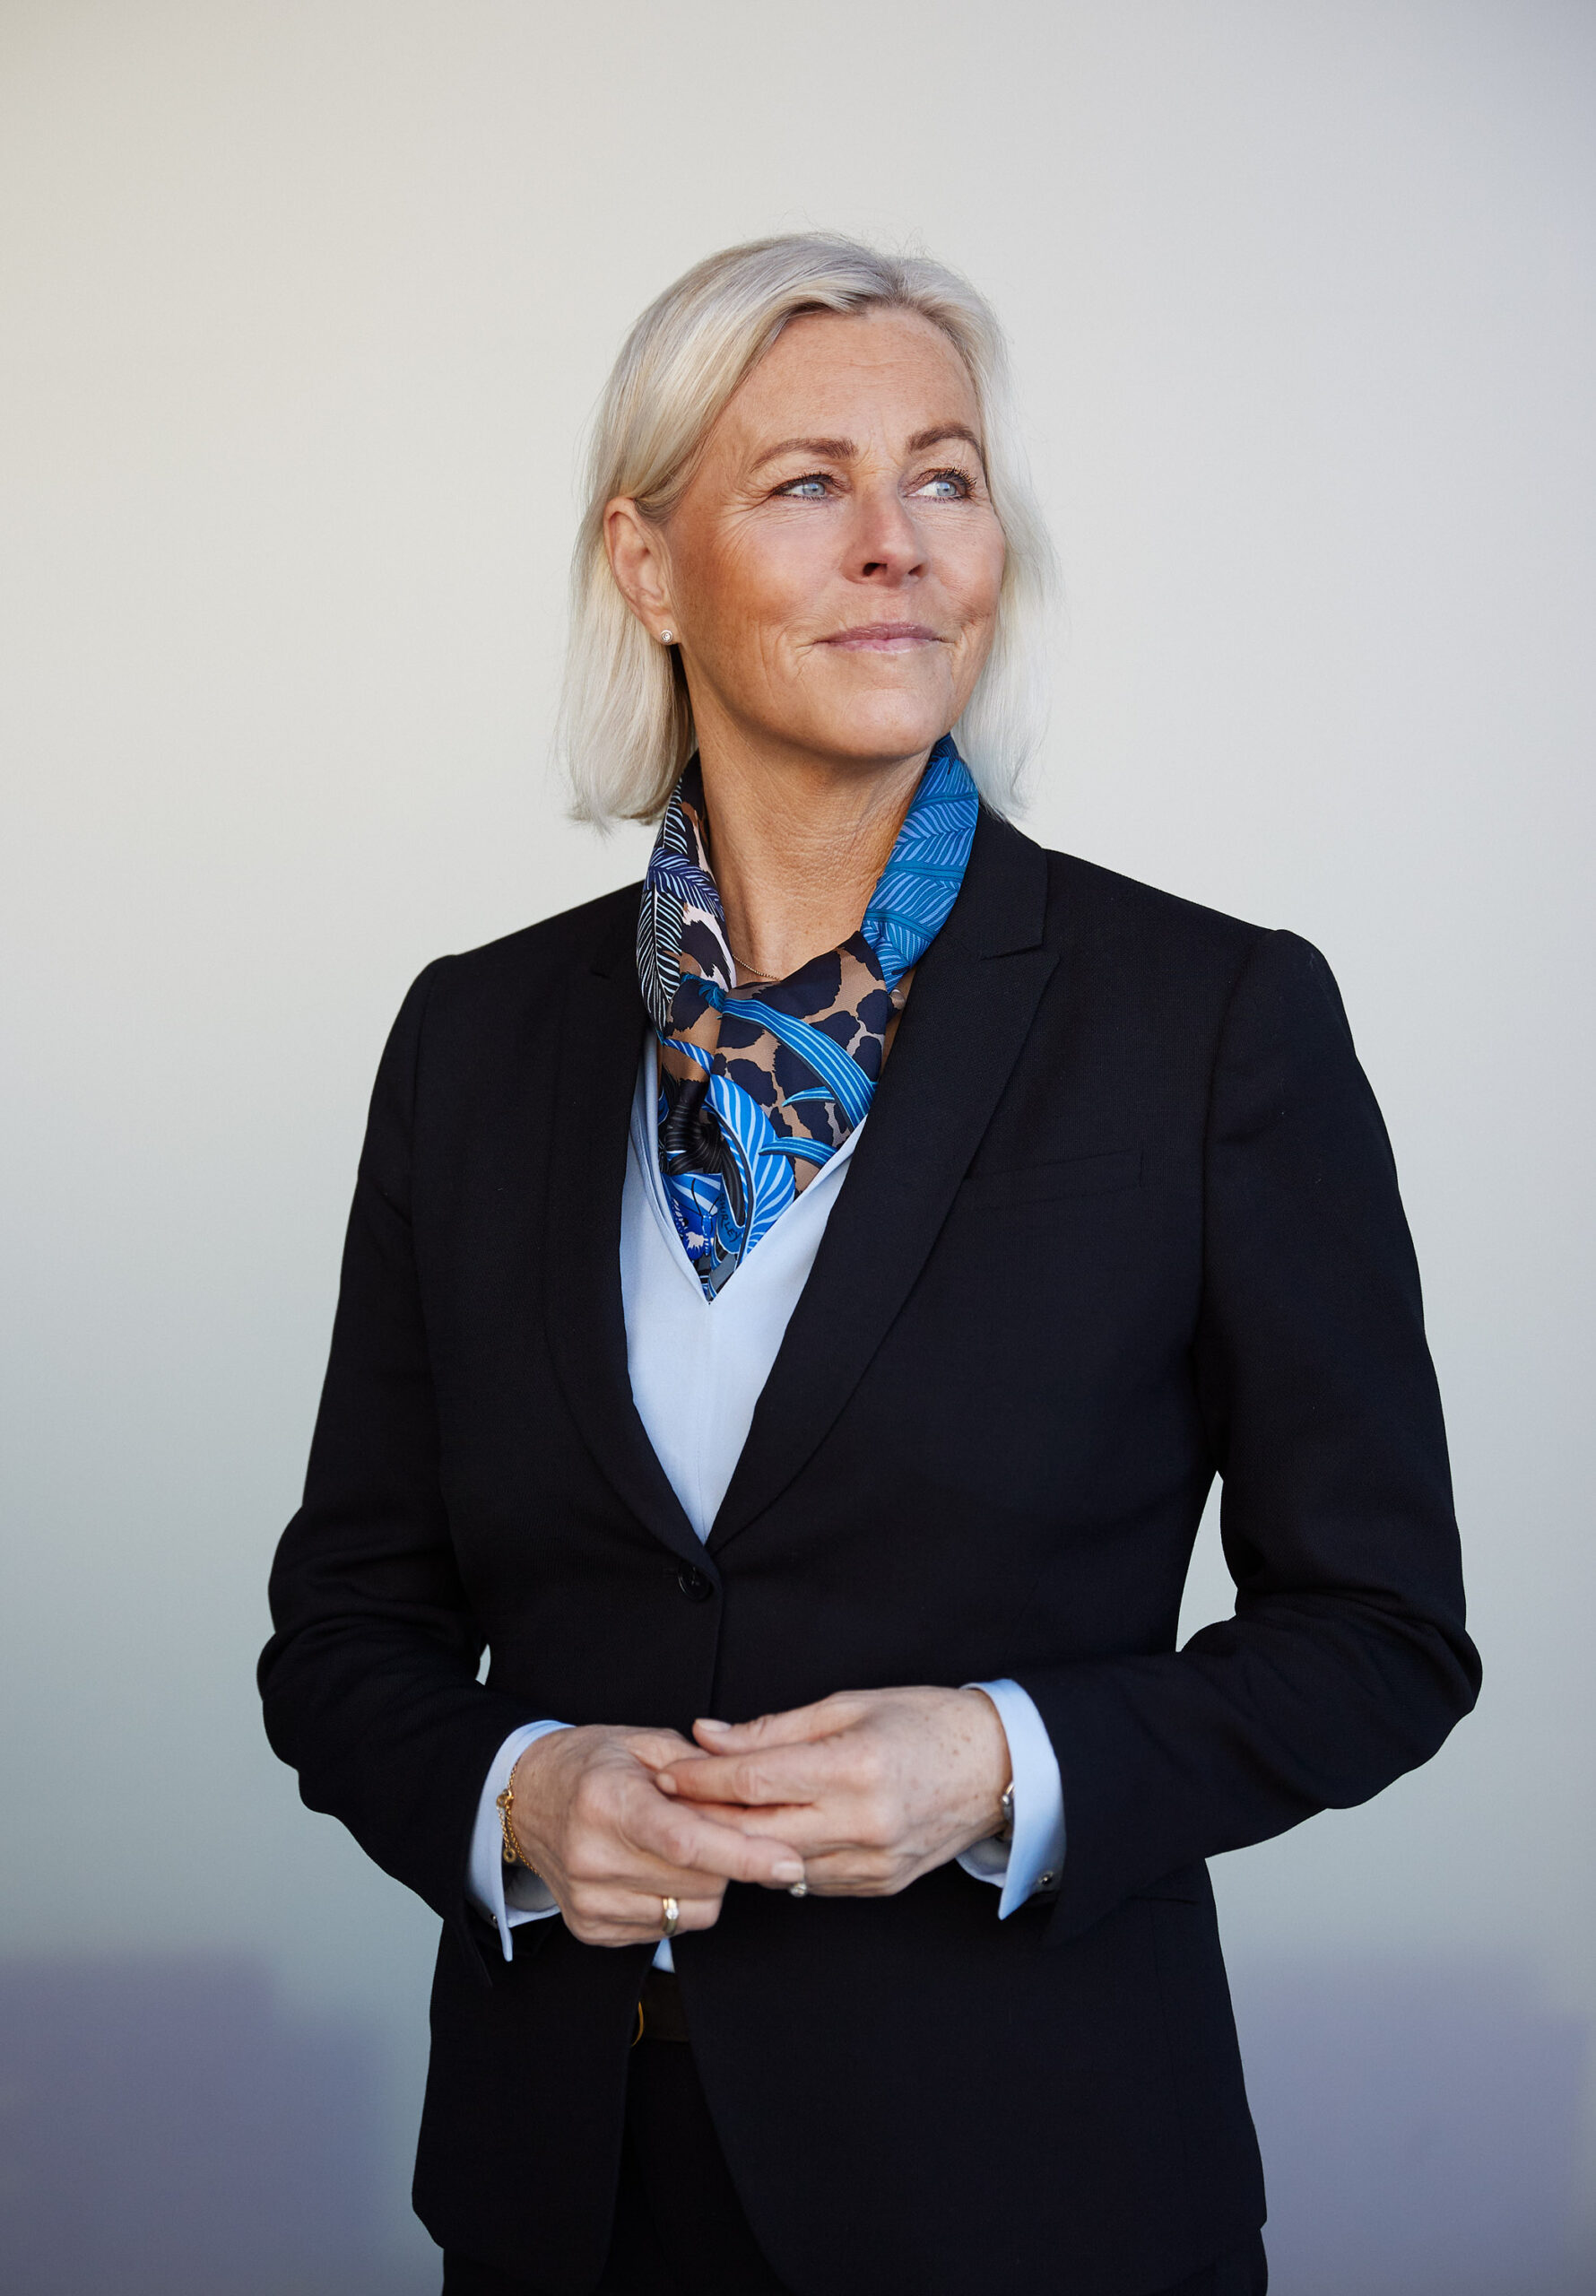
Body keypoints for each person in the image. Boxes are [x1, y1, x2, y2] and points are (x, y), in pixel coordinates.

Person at [259, 234, 1479, 2296]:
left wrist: (1004, 1762)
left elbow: (1378, 1632)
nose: (895, 540)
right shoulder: (473, 1039)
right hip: (567, 2199)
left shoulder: (1207, 1022)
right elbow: (346, 1629)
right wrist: (517, 1793)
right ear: (646, 566)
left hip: (1032, 2198)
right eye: (806, 482)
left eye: (943, 475)